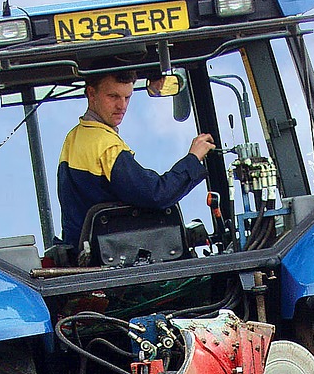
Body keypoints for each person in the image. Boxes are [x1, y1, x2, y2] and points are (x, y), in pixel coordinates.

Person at [57, 70, 215, 253]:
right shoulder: (105, 146)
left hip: (86, 256)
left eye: (127, 97)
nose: (121, 106)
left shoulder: (75, 137)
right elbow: (156, 194)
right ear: (92, 94)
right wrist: (193, 160)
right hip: (114, 258)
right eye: (113, 96)